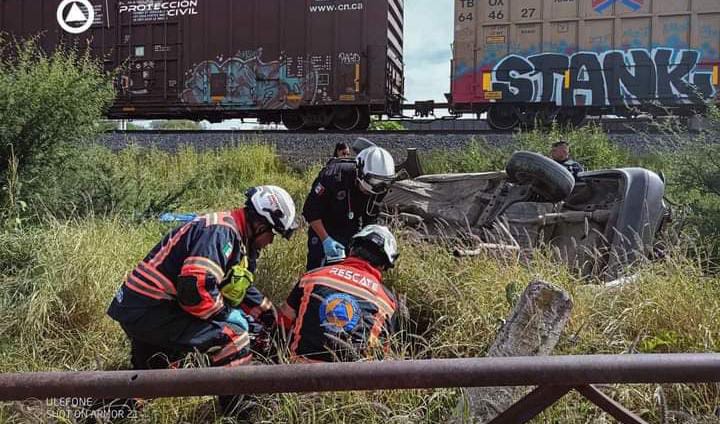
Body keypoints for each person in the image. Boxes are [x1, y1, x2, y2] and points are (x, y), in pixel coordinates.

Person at [107, 185, 298, 371]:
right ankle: (242, 403)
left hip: (143, 307)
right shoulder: (221, 232)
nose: (271, 241)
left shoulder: (234, 234)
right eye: (273, 234)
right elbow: (195, 289)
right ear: (259, 225)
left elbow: (231, 284)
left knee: (150, 381)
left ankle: (107, 399)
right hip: (152, 310)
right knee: (233, 338)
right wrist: (226, 316)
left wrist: (267, 313)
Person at [278, 225, 399, 362]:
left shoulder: (312, 278)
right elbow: (382, 353)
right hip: (351, 381)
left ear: (352, 249)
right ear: (383, 265)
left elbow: (282, 323)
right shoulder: (387, 302)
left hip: (295, 376)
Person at [302, 143, 396, 270]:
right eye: (367, 189)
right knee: (318, 269)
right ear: (360, 172)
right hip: (324, 227)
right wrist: (326, 240)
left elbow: (371, 218)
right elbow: (310, 211)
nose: (368, 193)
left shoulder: (380, 187)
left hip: (351, 227)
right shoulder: (333, 175)